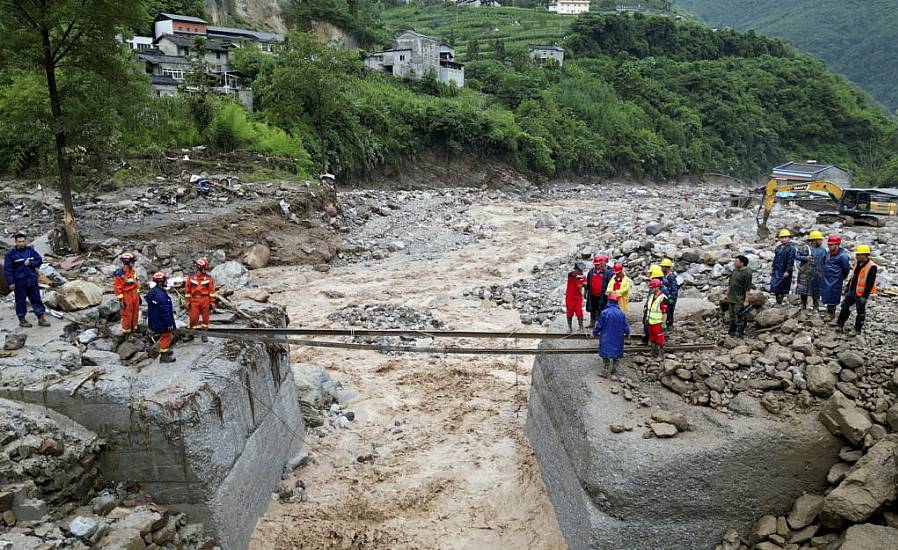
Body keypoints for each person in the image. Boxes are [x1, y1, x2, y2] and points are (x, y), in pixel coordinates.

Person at [3, 233, 50, 328]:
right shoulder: (10, 254)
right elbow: (8, 269)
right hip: (19, 282)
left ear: (25, 241)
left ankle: (41, 318)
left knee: (36, 299)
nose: (21, 243)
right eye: (19, 242)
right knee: (20, 301)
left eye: (23, 241)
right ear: (16, 242)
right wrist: (11, 282)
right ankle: (22, 320)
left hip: (32, 280)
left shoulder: (30, 251)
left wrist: (31, 263)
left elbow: (39, 260)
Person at [835, 244, 877, 334]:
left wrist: (865, 296)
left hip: (861, 294)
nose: (856, 256)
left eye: (858, 254)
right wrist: (848, 286)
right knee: (845, 306)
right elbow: (853, 276)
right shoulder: (858, 263)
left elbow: (870, 283)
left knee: (860, 311)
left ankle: (857, 329)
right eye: (856, 254)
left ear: (865, 255)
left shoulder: (872, 267)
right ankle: (840, 324)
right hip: (853, 290)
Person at [592, 292, 630, 377]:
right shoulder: (621, 313)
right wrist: (628, 333)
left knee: (605, 353)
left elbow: (599, 325)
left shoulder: (604, 313)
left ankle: (605, 371)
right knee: (616, 354)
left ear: (609, 300)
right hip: (618, 338)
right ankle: (614, 370)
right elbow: (625, 326)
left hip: (606, 337)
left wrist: (594, 333)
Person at [145, 272, 176, 363]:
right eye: (165, 280)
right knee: (167, 335)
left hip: (155, 320)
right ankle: (164, 356)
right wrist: (169, 324)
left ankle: (165, 350)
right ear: (161, 282)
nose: (167, 282)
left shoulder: (154, 291)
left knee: (165, 335)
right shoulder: (161, 296)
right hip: (161, 321)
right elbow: (165, 312)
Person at [821, 235, 852, 321]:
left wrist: (842, 276)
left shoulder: (842, 256)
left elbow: (846, 268)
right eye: (829, 244)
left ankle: (831, 313)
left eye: (831, 244)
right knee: (827, 294)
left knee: (833, 296)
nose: (829, 246)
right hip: (827, 278)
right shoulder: (828, 254)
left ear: (837, 245)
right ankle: (828, 310)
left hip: (835, 279)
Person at [795, 231, 827, 312]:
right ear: (814, 240)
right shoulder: (806, 248)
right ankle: (803, 304)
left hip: (817, 274)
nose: (821, 241)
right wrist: (804, 258)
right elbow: (796, 256)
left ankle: (815, 306)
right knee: (803, 290)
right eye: (820, 240)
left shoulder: (823, 250)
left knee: (816, 290)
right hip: (805, 273)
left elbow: (826, 261)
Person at [186, 257, 216, 341]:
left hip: (205, 300)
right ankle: (191, 334)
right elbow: (187, 291)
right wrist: (187, 301)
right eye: (204, 268)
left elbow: (211, 291)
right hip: (194, 300)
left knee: (205, 318)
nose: (205, 270)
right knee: (193, 318)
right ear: (199, 267)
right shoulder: (191, 278)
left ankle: (204, 334)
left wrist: (212, 302)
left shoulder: (209, 278)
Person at [113, 252, 141, 335]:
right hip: (127, 296)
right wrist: (121, 300)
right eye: (132, 262)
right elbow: (117, 289)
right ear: (126, 262)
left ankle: (134, 328)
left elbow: (136, 284)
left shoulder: (133, 272)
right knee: (127, 314)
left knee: (135, 312)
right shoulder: (120, 274)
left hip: (135, 294)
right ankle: (126, 331)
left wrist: (138, 296)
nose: (134, 263)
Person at [727, 255, 753, 338]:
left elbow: (747, 288)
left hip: (739, 298)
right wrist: (727, 293)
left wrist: (746, 300)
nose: (735, 263)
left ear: (742, 263)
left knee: (739, 315)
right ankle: (732, 331)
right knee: (731, 315)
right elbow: (731, 283)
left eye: (737, 261)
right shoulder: (735, 270)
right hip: (732, 297)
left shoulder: (747, 273)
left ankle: (740, 332)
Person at [584, 255, 613, 328]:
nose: (597, 266)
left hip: (602, 295)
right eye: (595, 264)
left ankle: (600, 324)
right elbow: (588, 282)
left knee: (601, 309)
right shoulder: (591, 272)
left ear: (601, 263)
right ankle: (592, 323)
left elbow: (610, 284)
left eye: (598, 264)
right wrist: (585, 291)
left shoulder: (607, 273)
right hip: (592, 294)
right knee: (592, 309)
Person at [770, 229, 797, 305]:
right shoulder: (778, 248)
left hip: (784, 269)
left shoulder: (791, 248)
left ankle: (780, 301)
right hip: (777, 269)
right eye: (782, 237)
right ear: (779, 238)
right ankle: (777, 300)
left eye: (786, 237)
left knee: (782, 286)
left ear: (789, 238)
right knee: (775, 285)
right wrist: (773, 267)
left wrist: (787, 271)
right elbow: (775, 258)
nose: (784, 239)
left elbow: (790, 260)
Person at [646, 279, 668, 357]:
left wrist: (663, 323)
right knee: (652, 338)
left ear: (657, 287)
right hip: (651, 322)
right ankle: (653, 353)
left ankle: (661, 355)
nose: (651, 289)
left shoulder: (662, 298)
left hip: (658, 323)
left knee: (660, 339)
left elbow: (665, 312)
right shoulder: (651, 296)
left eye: (653, 287)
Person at [565, 263, 587, 333]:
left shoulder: (583, 277)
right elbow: (573, 275)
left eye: (582, 270)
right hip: (570, 297)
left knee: (579, 312)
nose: (581, 271)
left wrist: (585, 288)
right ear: (576, 269)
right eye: (580, 270)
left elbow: (586, 285)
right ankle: (569, 327)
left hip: (578, 297)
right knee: (569, 312)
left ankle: (581, 327)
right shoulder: (571, 274)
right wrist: (580, 277)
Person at [660, 258, 679, 327]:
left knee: (669, 311)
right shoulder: (665, 276)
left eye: (663, 266)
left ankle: (669, 324)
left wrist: (672, 298)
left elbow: (674, 289)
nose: (661, 268)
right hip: (666, 296)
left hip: (670, 297)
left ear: (667, 267)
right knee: (666, 311)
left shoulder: (671, 277)